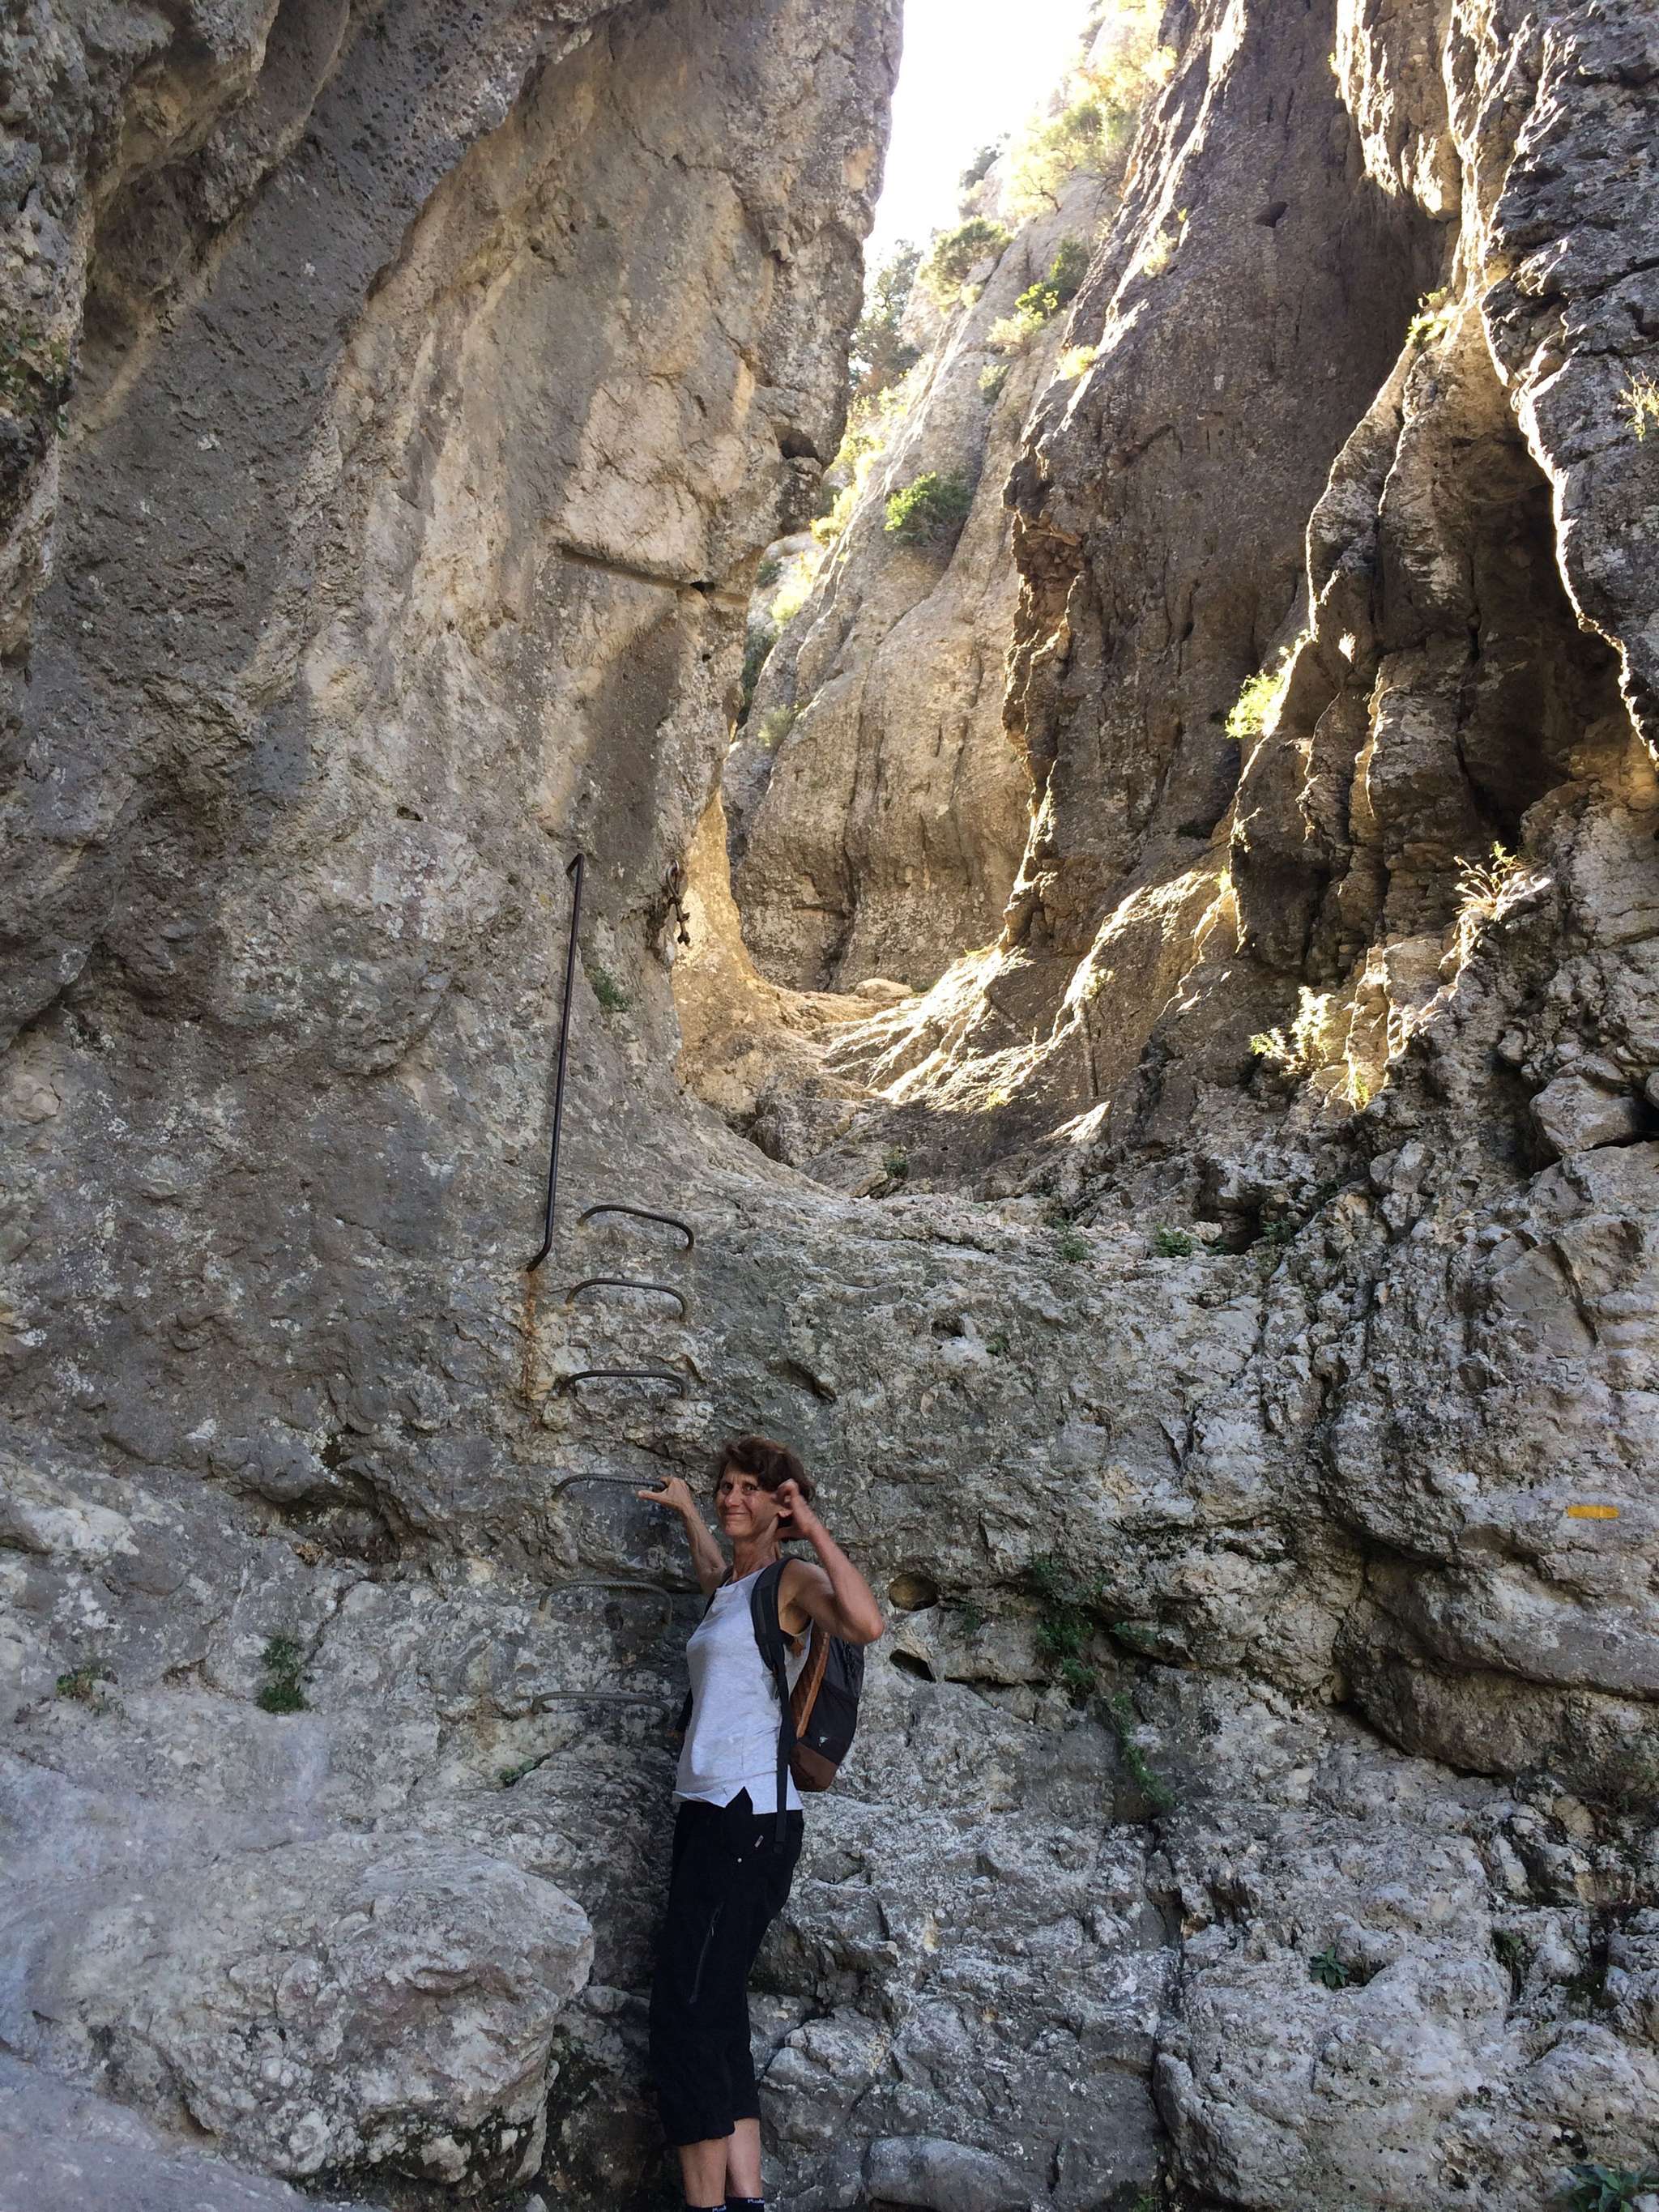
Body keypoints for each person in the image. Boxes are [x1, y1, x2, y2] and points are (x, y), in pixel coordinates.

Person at [638, 1434, 884, 2212]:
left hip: (750, 1815)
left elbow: (865, 1623)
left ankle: (705, 2205)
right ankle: (746, 2199)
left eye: (749, 1487)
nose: (732, 1496)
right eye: (725, 1485)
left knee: (685, 2013)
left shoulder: (792, 1577)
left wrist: (809, 1526)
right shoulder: (733, 1584)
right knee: (715, 2005)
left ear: (778, 1503)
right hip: (708, 1812)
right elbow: (715, 1571)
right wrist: (688, 1512)